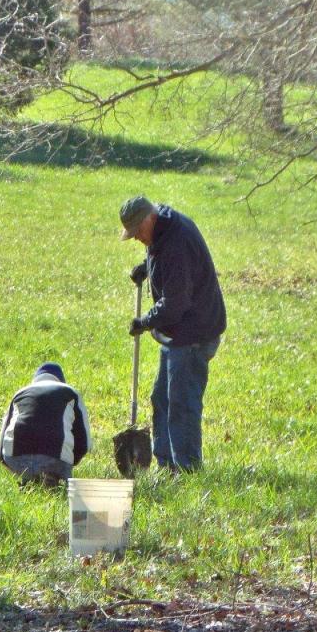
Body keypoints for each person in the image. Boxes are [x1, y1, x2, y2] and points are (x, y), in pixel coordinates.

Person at [120, 195, 226, 472]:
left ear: (149, 219)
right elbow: (161, 254)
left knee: (182, 403)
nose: (136, 238)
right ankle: (167, 466)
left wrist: (145, 321)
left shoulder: (177, 242)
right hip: (179, 333)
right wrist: (147, 266)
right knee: (162, 399)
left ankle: (187, 469)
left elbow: (175, 304)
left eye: (137, 232)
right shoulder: (161, 229)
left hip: (194, 333)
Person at [0, 362, 92, 485]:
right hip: (55, 457)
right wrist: (68, 463)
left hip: (15, 458)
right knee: (53, 470)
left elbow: (0, 449)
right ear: (61, 380)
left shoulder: (19, 394)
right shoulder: (70, 392)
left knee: (29, 474)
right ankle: (50, 477)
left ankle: (29, 480)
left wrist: (14, 468)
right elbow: (84, 443)